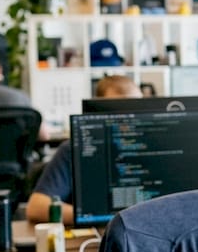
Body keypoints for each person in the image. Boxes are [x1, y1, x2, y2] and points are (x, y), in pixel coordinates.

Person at [26, 75, 140, 225]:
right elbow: (36, 208)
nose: (127, 119)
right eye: (119, 111)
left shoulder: (156, 151)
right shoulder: (73, 149)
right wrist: (95, 218)